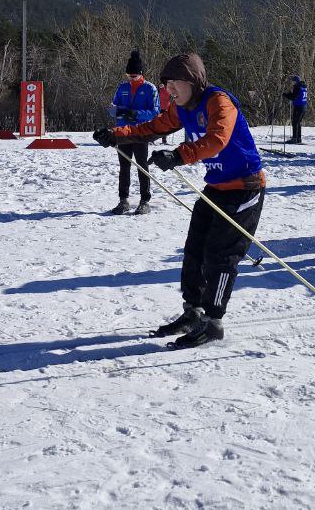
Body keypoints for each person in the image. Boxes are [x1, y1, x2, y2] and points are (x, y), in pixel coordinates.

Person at [93, 52, 265, 347]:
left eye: (175, 83)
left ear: (193, 81)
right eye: (167, 84)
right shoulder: (182, 107)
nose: (169, 90)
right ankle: (193, 312)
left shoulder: (218, 101)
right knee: (195, 250)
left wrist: (178, 155)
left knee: (221, 255)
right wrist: (116, 135)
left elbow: (217, 139)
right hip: (217, 187)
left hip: (245, 187)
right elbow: (153, 127)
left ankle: (213, 322)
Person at [109, 50, 160, 214]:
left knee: (142, 166)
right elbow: (112, 108)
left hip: (140, 132)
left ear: (141, 74)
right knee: (124, 167)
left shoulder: (150, 88)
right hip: (123, 132)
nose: (131, 79)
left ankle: (145, 200)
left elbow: (155, 112)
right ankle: (123, 200)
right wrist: (119, 111)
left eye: (134, 76)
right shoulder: (122, 87)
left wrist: (136, 114)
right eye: (128, 75)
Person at [283, 75, 308, 143]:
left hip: (298, 106)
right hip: (303, 106)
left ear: (296, 81)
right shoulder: (303, 86)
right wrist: (290, 94)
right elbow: (297, 95)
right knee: (298, 122)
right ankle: (298, 138)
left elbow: (293, 97)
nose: (292, 82)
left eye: (293, 81)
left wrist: (286, 95)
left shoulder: (297, 87)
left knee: (295, 122)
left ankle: (294, 138)